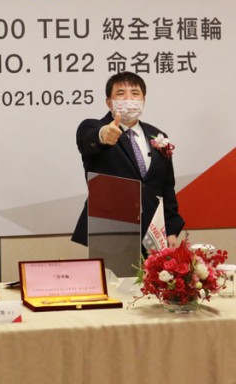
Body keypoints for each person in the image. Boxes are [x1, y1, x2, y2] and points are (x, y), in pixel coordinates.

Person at [71, 71, 184, 250]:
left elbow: (166, 187)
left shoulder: (157, 135)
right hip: (111, 229)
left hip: (153, 233)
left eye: (135, 93)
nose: (129, 98)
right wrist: (103, 136)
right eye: (121, 93)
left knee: (155, 278)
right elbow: (90, 139)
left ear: (143, 100)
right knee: (114, 279)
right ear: (109, 102)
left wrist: (171, 229)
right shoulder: (92, 127)